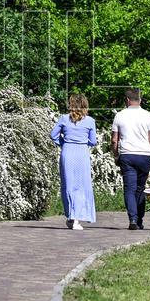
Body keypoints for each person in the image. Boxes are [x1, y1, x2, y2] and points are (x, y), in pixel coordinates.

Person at [111, 88, 150, 230]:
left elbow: (114, 140)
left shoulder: (119, 116)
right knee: (140, 188)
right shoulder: (149, 116)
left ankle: (133, 219)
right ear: (140, 100)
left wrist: (116, 155)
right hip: (144, 156)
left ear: (127, 100)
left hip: (127, 155)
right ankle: (140, 220)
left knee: (129, 188)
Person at [50, 94, 98, 230]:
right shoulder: (90, 121)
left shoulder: (64, 119)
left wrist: (64, 143)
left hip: (68, 152)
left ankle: (72, 216)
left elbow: (53, 135)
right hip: (82, 153)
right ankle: (76, 218)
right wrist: (83, 142)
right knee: (82, 184)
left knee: (69, 184)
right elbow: (93, 141)